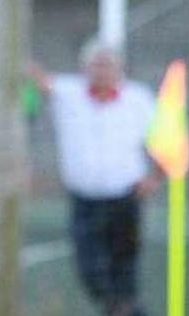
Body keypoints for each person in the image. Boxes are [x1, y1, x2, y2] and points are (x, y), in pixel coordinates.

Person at [33, 40, 159, 316]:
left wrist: (155, 177)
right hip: (85, 200)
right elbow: (36, 78)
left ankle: (123, 309)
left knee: (125, 269)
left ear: (120, 68)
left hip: (125, 198)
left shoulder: (138, 98)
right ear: (84, 68)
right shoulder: (67, 93)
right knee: (90, 269)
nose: (101, 72)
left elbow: (161, 139)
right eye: (95, 65)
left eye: (107, 65)